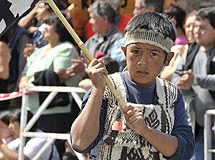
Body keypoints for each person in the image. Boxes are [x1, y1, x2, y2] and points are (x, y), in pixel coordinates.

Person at [71, 12, 195, 159]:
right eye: (136, 51)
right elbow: (80, 143)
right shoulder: (105, 88)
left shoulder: (172, 95)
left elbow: (185, 150)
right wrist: (97, 90)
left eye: (153, 54)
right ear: (124, 52)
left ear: (167, 58)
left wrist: (146, 130)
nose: (143, 61)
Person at [18, 14, 82, 157]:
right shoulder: (38, 51)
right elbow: (24, 73)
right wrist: (24, 84)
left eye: (49, 23)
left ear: (59, 29)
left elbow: (59, 74)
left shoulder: (66, 48)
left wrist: (32, 84)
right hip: (32, 108)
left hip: (56, 109)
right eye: (44, 23)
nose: (44, 26)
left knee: (44, 152)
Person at [172, 7, 215, 160]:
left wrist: (196, 80)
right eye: (196, 26)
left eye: (203, 27)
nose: (197, 31)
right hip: (196, 125)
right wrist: (180, 82)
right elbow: (176, 74)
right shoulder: (191, 50)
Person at [111, 0, 164, 71]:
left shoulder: (162, 31)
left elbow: (118, 55)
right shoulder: (136, 27)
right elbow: (115, 52)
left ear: (150, 10)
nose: (134, 12)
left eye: (138, 8)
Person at [160, 10, 197, 81]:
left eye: (195, 26)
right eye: (188, 26)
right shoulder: (177, 49)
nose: (191, 29)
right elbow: (164, 75)